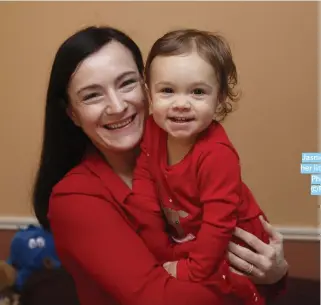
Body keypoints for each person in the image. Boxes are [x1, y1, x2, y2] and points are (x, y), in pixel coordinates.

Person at [32, 26, 288, 305]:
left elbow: (236, 237)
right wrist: (242, 285)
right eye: (92, 95)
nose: (117, 106)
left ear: (145, 87)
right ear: (73, 114)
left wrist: (275, 273)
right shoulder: (75, 199)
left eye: (126, 83)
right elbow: (161, 298)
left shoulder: (189, 152)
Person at [130, 29, 272, 305]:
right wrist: (160, 251)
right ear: (149, 94)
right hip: (189, 238)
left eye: (197, 92)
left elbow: (219, 225)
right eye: (167, 91)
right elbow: (144, 192)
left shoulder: (217, 155)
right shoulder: (151, 130)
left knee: (221, 291)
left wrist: (191, 270)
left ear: (219, 98)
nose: (181, 104)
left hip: (232, 242)